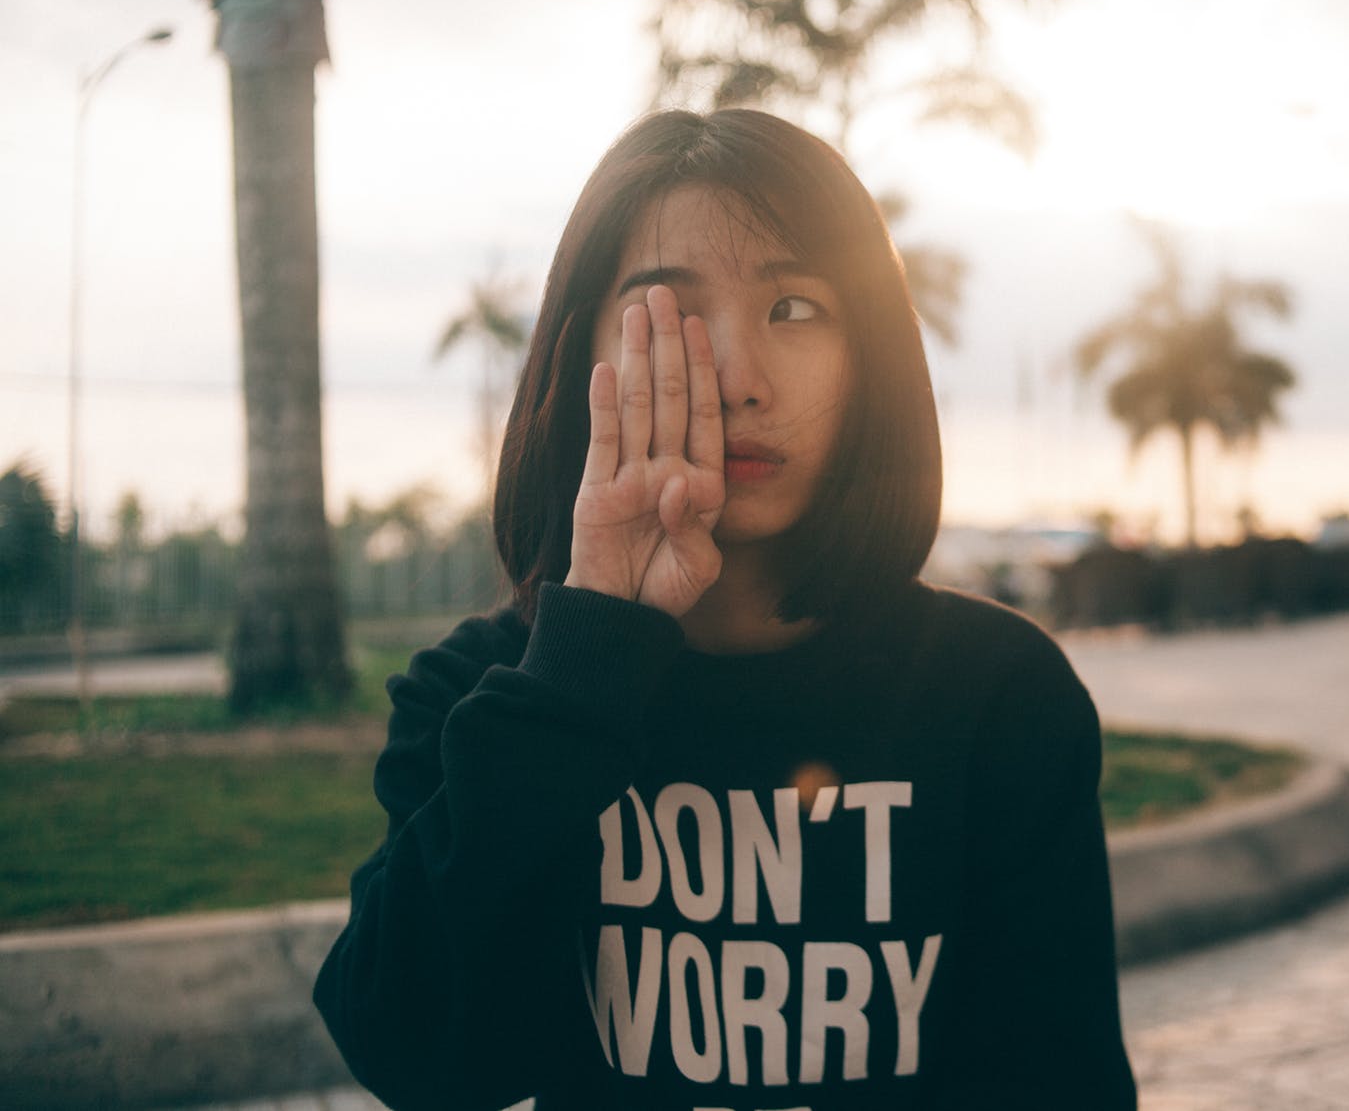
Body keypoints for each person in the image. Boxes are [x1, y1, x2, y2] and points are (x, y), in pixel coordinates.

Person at [313, 109, 1137, 1111]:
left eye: (794, 306)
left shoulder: (994, 695)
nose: (739, 379)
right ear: (583, 365)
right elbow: (423, 1058)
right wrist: (587, 656)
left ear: (865, 356)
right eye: (666, 308)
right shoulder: (480, 695)